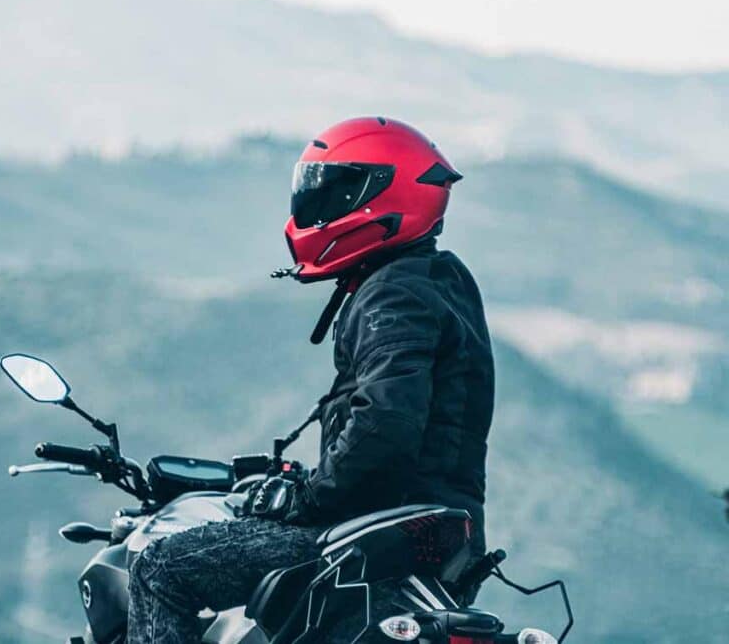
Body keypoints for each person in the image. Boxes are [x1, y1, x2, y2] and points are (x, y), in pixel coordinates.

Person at [127, 117, 495, 643]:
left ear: (384, 198)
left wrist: (306, 496)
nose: (320, 207)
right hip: (433, 534)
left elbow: (386, 423)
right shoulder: (437, 280)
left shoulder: (395, 296)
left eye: (338, 191)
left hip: (377, 535)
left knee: (160, 568)